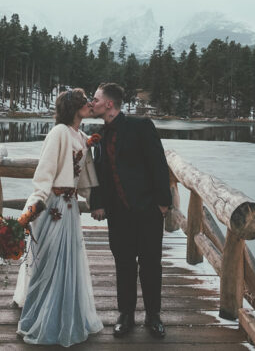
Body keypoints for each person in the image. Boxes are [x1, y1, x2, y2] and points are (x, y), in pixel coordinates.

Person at [13, 88, 104, 347]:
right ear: (75, 108)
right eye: (84, 102)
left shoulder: (82, 135)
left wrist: (95, 203)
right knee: (49, 262)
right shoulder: (59, 133)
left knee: (68, 262)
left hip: (71, 207)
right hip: (53, 206)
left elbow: (84, 178)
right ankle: (38, 320)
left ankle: (64, 317)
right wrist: (34, 205)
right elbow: (44, 173)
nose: (89, 105)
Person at [88, 82, 171, 338]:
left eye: (96, 99)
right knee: (123, 263)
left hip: (148, 209)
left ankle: (153, 316)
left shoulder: (141, 126)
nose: (93, 103)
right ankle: (126, 315)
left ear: (109, 104)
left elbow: (158, 163)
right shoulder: (99, 136)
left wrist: (163, 203)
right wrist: (98, 203)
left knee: (150, 264)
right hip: (118, 213)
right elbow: (100, 174)